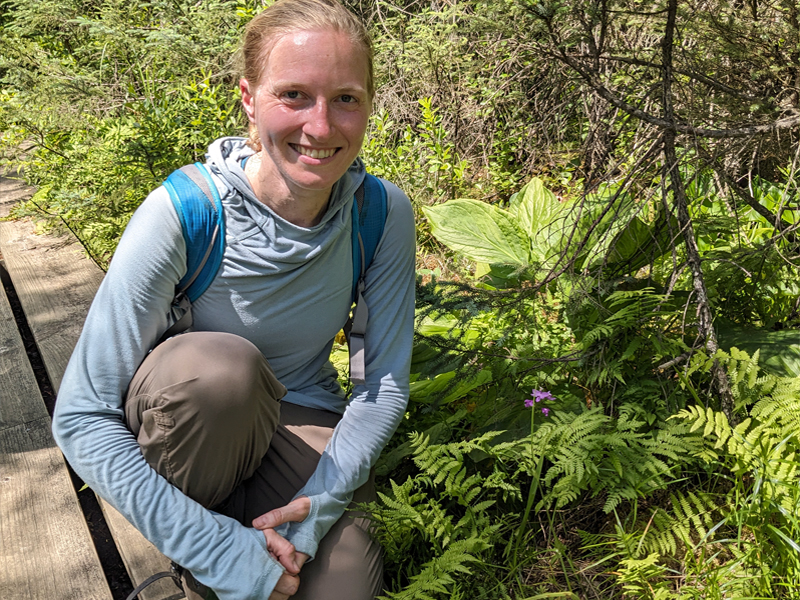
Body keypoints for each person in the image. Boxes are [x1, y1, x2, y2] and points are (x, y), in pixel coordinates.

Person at [51, 0, 415, 598]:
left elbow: (380, 389)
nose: (321, 126)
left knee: (342, 582)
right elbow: (81, 416)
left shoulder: (380, 215)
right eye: (293, 95)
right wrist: (219, 548)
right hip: (198, 419)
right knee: (225, 372)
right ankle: (201, 562)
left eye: (345, 98)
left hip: (300, 419)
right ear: (249, 98)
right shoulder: (186, 213)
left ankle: (256, 549)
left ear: (370, 103)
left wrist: (312, 519)